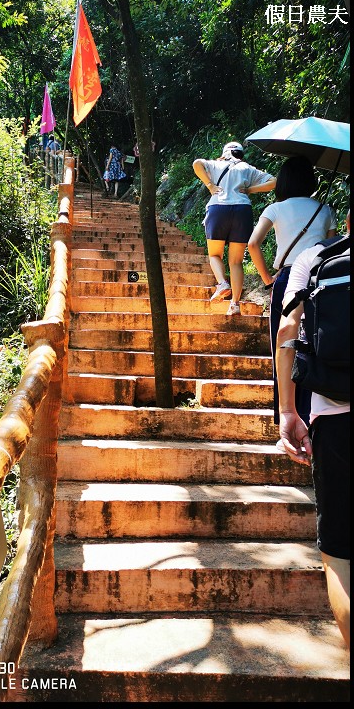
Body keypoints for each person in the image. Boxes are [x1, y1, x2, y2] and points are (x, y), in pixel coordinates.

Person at [276, 209, 350, 650]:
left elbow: (288, 330)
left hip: (335, 419)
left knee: (340, 553)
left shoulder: (315, 259)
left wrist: (288, 411)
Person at [248, 155, 337, 426]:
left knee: (284, 347)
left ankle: (285, 418)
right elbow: (332, 251)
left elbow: (253, 244)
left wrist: (267, 279)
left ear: (283, 182)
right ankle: (312, 417)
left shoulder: (275, 209)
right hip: (319, 281)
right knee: (315, 346)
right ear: (310, 180)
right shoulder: (325, 209)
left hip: (287, 279)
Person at [193, 142, 276, 315]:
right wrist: (250, 190)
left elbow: (197, 164)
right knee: (236, 261)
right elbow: (273, 181)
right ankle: (235, 305)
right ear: (241, 155)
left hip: (218, 209)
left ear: (225, 153)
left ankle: (222, 283)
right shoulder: (247, 168)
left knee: (215, 254)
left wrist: (210, 185)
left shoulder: (216, 164)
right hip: (242, 211)